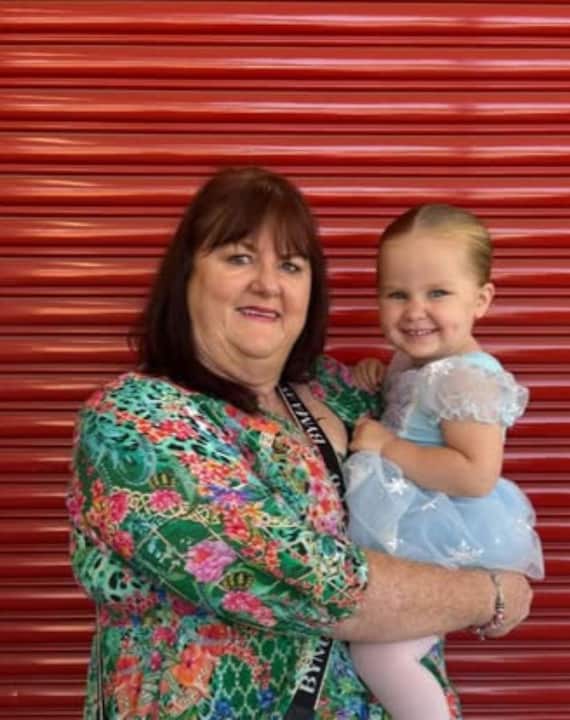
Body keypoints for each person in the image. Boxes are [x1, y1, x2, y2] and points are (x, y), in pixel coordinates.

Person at [67, 167, 532, 719]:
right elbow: (301, 580)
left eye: (290, 265)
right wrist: (492, 594)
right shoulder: (137, 421)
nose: (268, 283)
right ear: (186, 275)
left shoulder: (343, 394)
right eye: (239, 257)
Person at [339, 204, 544, 719]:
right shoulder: (419, 360)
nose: (414, 311)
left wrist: (388, 449)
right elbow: (412, 408)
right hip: (412, 520)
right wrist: (376, 376)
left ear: (481, 300)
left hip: (442, 528)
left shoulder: (464, 378)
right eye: (397, 294)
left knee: (381, 653)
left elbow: (475, 474)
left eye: (437, 293)